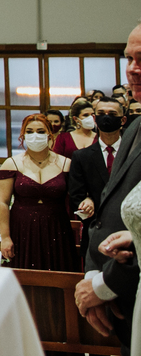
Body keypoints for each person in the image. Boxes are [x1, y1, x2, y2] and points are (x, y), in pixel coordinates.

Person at [77, 24, 141, 347]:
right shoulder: (134, 130)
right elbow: (106, 207)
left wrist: (107, 284)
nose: (132, 69)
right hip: (125, 301)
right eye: (129, 58)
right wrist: (93, 274)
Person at [0, 114, 78, 271]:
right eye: (30, 131)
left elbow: (77, 196)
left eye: (40, 131)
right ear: (23, 135)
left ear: (49, 134)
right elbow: (3, 202)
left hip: (57, 227)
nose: (35, 135)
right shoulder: (11, 164)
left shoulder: (66, 164)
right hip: (22, 227)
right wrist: (5, 237)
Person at [69, 98, 125, 259]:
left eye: (112, 114)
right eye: (101, 113)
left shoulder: (134, 154)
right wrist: (87, 202)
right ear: (94, 118)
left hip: (129, 228)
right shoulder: (81, 156)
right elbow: (76, 196)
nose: (106, 117)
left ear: (123, 120)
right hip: (96, 230)